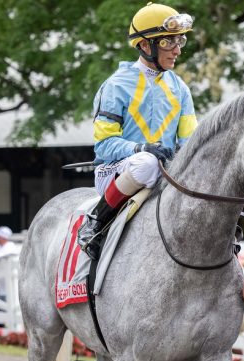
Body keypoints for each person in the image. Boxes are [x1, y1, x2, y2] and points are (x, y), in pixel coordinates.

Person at [76, 2, 197, 260]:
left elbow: (189, 143)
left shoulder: (181, 89)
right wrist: (140, 148)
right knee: (147, 162)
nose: (177, 50)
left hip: (167, 171)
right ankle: (96, 222)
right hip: (117, 170)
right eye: (168, 43)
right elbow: (104, 145)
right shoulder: (115, 86)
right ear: (145, 45)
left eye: (180, 41)